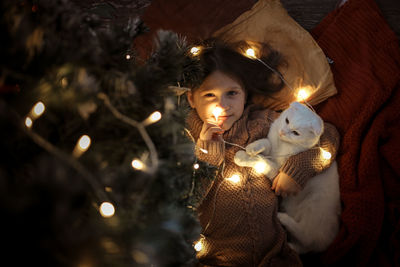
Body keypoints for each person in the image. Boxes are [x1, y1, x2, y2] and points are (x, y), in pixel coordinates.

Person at [185, 40, 340, 266]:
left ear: (245, 94)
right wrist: (207, 151)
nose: (223, 105)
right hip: (215, 258)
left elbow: (327, 135)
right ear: (191, 98)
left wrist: (297, 170)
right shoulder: (184, 137)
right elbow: (186, 198)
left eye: (232, 93)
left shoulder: (263, 122)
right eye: (210, 95)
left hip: (275, 254)